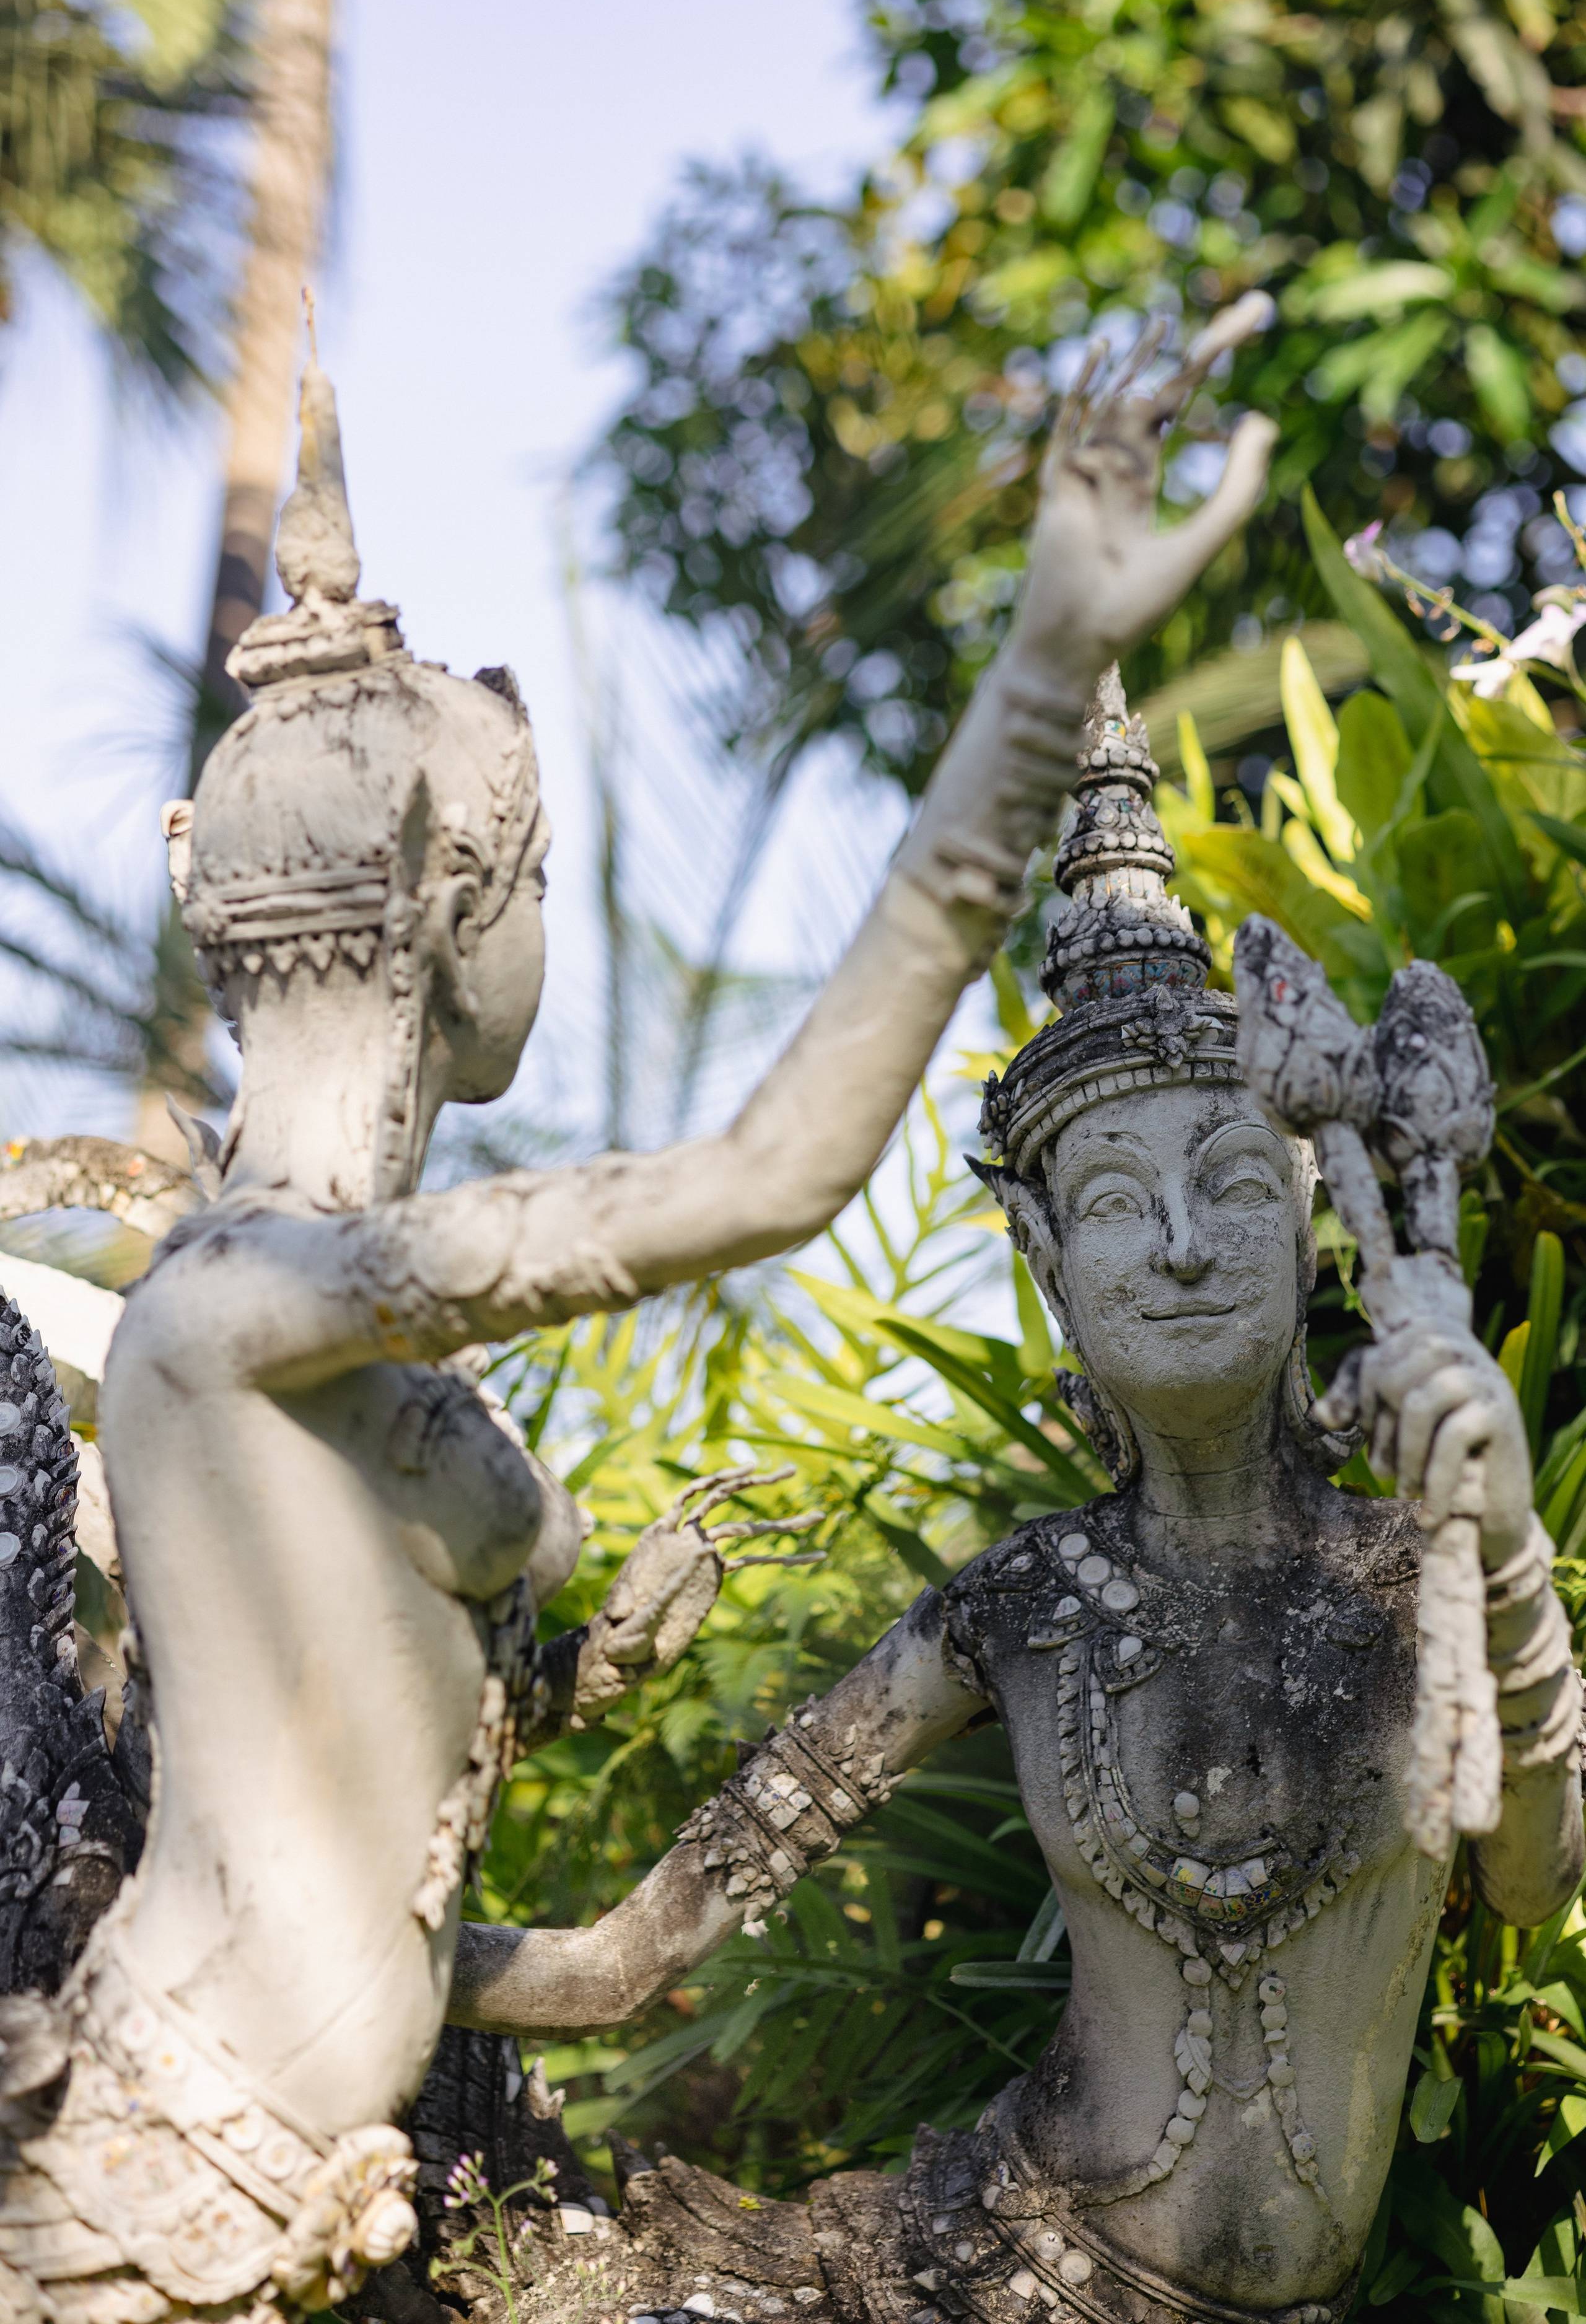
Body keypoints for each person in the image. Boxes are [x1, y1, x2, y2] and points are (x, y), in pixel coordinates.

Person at [0, 297, 1279, 2324]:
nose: (536, 926)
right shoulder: (246, 1298)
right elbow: (774, 1178)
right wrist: (1036, 681)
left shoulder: (314, 1307)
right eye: (528, 870)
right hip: (142, 2225)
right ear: (443, 893)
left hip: (300, 2207)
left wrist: (579, 1682)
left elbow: (414, 1875)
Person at [447, 683, 1583, 2324]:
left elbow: (1547, 1879)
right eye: (1120, 1202)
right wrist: (378, 1965)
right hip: (1005, 2279)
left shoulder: (1424, 1580)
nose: (1185, 1243)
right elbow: (630, 1964)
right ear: (1051, 1267)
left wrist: (1516, 1557)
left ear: (1315, 1227)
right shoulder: (1020, 1612)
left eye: (1236, 1184)